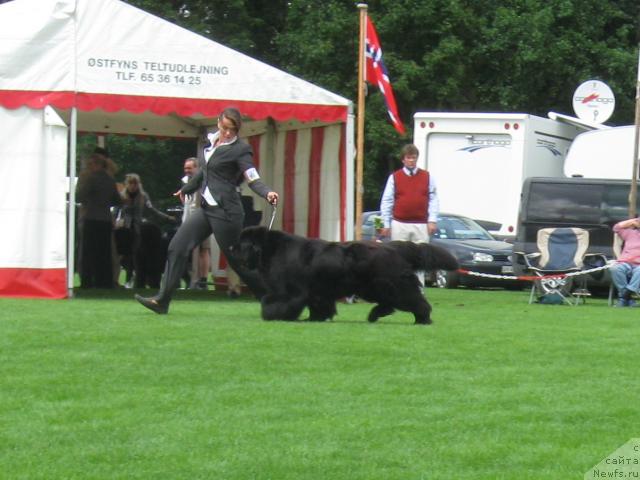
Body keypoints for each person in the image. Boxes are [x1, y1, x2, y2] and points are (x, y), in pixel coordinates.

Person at [135, 107, 279, 314]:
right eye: (226, 127)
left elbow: (251, 176)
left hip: (227, 212)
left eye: (233, 129)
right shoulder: (209, 142)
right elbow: (204, 172)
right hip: (206, 209)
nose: (228, 132)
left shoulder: (241, 149)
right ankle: (162, 300)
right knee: (177, 246)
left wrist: (267, 193)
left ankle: (273, 299)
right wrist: (187, 188)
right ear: (219, 122)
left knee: (238, 263)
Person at [379, 143, 439, 285]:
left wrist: (432, 220)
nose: (411, 160)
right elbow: (387, 201)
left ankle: (419, 288)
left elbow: (433, 199)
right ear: (403, 159)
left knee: (420, 257)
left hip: (420, 224)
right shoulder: (395, 177)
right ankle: (400, 287)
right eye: (408, 158)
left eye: (414, 158)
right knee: (399, 257)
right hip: (400, 223)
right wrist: (385, 224)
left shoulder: (427, 176)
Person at [117, 173, 177, 288]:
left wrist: (167, 217)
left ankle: (135, 278)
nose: (133, 186)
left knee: (137, 253)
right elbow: (118, 210)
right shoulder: (122, 196)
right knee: (126, 254)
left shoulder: (143, 196)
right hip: (126, 228)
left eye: (135, 183)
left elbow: (152, 210)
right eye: (131, 183)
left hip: (139, 228)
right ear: (127, 184)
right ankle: (127, 279)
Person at [76, 153, 122, 288]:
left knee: (88, 252)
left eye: (90, 164)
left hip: (91, 217)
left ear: (96, 165)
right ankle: (105, 281)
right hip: (105, 219)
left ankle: (87, 281)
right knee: (104, 253)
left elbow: (80, 196)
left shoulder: (90, 179)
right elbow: (116, 200)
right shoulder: (110, 180)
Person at [181, 157, 212, 290]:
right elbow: (186, 202)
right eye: (185, 168)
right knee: (186, 249)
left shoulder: (205, 181)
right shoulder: (184, 182)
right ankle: (189, 279)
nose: (187, 171)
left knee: (203, 250)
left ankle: (203, 280)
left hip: (203, 218)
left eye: (189, 168)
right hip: (187, 219)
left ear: (197, 168)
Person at [610, 217, 640, 307]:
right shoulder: (630, 232)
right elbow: (616, 227)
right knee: (615, 269)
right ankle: (628, 298)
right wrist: (633, 221)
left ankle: (624, 297)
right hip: (626, 262)